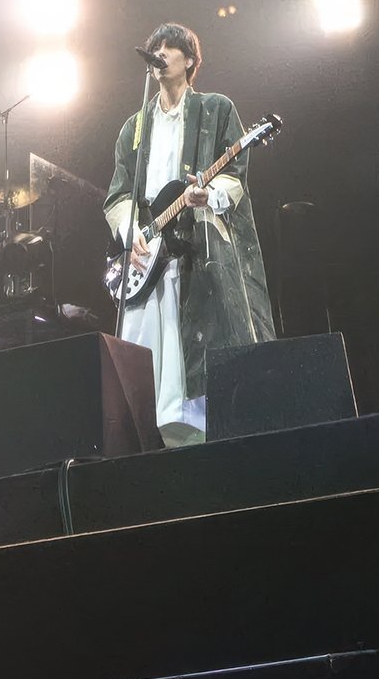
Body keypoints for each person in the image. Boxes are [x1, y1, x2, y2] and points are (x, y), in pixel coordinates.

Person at [103, 23, 277, 444]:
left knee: (194, 362)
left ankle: (202, 446)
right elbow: (118, 194)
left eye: (170, 48)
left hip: (196, 254)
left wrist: (208, 195)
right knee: (145, 366)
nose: (160, 54)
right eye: (155, 48)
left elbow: (234, 176)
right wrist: (130, 230)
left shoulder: (216, 109)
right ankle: (147, 445)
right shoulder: (134, 127)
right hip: (148, 258)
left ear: (190, 60)